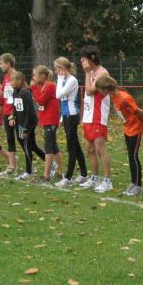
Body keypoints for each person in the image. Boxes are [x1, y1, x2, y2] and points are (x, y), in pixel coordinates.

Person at [96, 74, 143, 196]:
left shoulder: (124, 98)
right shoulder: (113, 96)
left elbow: (138, 111)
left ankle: (138, 185)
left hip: (135, 129)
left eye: (100, 90)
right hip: (127, 128)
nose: (99, 92)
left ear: (106, 89)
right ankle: (133, 182)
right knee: (130, 156)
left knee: (134, 156)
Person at [78, 46, 112, 192]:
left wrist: (87, 73)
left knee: (99, 148)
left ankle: (108, 180)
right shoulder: (91, 73)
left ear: (91, 58)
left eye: (83, 59)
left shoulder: (102, 72)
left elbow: (89, 91)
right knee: (90, 149)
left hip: (98, 116)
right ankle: (95, 177)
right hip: (88, 116)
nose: (81, 62)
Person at [53, 57, 88, 187]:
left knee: (71, 146)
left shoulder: (72, 80)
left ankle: (68, 177)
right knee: (75, 145)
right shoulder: (64, 80)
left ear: (62, 68)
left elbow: (58, 95)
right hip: (66, 115)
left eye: (57, 69)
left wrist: (60, 79)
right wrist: (62, 118)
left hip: (72, 115)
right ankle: (84, 174)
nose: (56, 72)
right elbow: (62, 100)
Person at [31, 65, 65, 183]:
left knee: (48, 147)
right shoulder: (42, 86)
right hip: (46, 119)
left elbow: (40, 100)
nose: (33, 78)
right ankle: (61, 171)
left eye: (35, 75)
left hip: (51, 119)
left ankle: (46, 175)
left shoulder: (50, 86)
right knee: (54, 147)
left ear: (42, 76)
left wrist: (34, 88)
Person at [11, 70, 44, 180]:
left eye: (12, 80)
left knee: (26, 145)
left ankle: (29, 171)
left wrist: (25, 128)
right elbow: (15, 107)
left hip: (29, 122)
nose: (10, 82)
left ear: (20, 81)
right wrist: (12, 117)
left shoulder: (25, 93)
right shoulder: (15, 92)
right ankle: (48, 160)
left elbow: (29, 112)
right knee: (31, 145)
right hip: (20, 122)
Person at [0, 53, 19, 175]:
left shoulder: (15, 76)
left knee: (24, 140)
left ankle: (34, 165)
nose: (0, 66)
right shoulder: (6, 76)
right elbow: (3, 95)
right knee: (10, 138)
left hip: (14, 112)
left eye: (1, 63)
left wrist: (12, 113)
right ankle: (12, 165)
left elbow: (17, 96)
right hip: (6, 111)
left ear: (8, 64)